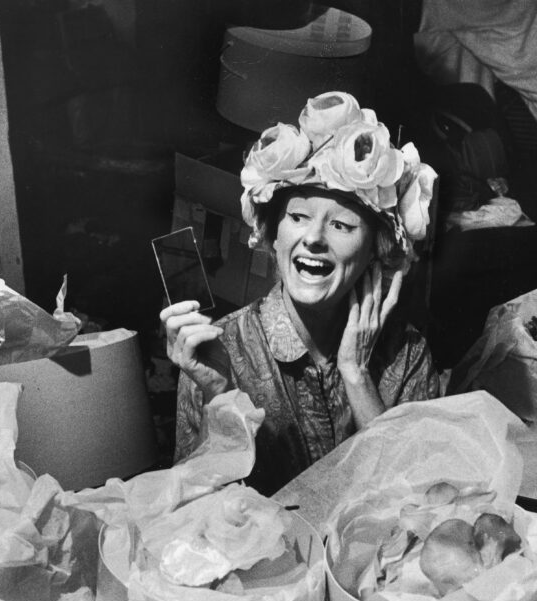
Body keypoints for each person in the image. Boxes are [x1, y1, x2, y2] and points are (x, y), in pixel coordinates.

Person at [161, 91, 440, 494]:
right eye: (297, 217)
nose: (313, 238)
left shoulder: (407, 353)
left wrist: (357, 375)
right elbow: (199, 521)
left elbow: (418, 504)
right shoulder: (219, 353)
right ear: (272, 236)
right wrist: (219, 394)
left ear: (374, 254)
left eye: (341, 226)